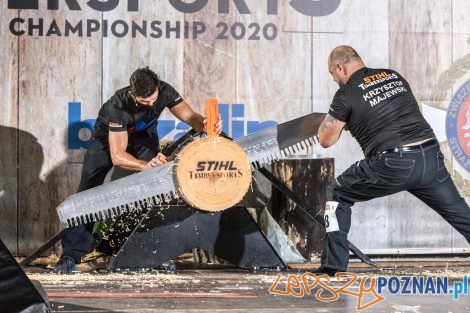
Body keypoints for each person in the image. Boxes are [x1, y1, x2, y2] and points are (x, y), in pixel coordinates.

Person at [316, 45, 470, 276]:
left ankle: (332, 267)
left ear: (340, 67)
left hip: (393, 163)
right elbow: (390, 111)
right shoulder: (392, 76)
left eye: (332, 74)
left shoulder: (346, 93)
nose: (334, 79)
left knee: (337, 193)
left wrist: (333, 123)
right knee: (460, 214)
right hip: (430, 158)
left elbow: (326, 139)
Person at [54, 67, 222, 272]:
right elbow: (117, 156)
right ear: (133, 94)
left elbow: (190, 118)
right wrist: (144, 164)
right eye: (145, 102)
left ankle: (150, 253)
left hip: (143, 139)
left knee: (155, 189)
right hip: (106, 143)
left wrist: (203, 124)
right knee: (88, 192)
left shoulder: (165, 91)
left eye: (154, 99)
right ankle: (71, 255)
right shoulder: (118, 106)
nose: (151, 104)